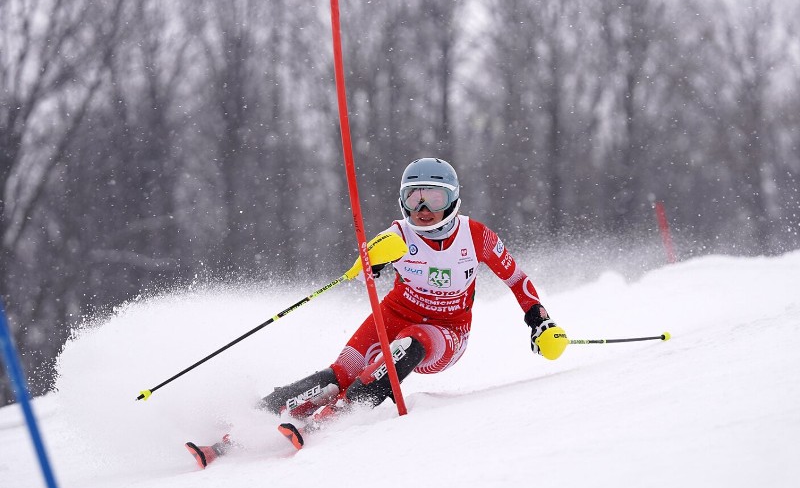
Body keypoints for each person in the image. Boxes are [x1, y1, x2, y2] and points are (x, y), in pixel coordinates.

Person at [186, 158, 567, 468]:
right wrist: (371, 262)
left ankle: (336, 415)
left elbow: (517, 279)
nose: (423, 210)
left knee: (409, 344)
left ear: (452, 200)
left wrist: (539, 321)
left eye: (434, 198)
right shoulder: (399, 234)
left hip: (445, 334)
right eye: (414, 198)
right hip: (394, 314)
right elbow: (374, 255)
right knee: (339, 373)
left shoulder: (477, 236)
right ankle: (248, 421)